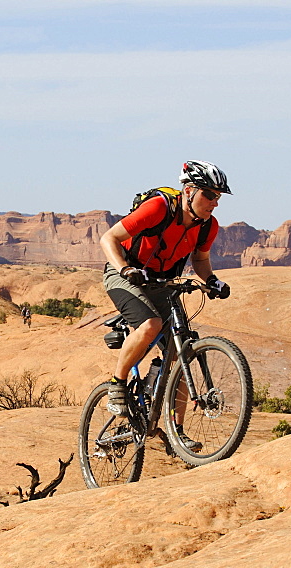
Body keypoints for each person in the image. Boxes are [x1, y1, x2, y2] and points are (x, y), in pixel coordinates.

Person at [99, 160, 233, 419]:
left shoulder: (208, 225)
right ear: (188, 191)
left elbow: (201, 260)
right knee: (150, 325)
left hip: (163, 283)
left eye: (218, 197)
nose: (214, 202)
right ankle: (118, 384)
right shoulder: (159, 208)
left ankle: (178, 435)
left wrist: (212, 281)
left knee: (183, 353)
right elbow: (109, 238)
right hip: (125, 274)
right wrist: (126, 269)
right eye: (208, 194)